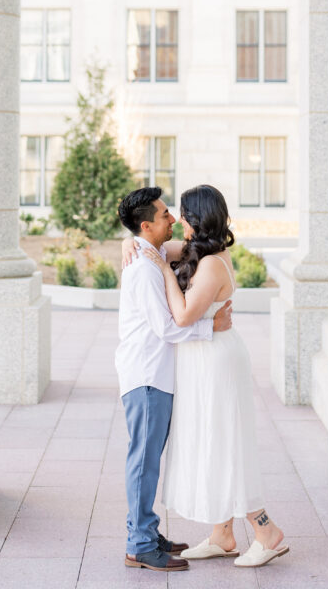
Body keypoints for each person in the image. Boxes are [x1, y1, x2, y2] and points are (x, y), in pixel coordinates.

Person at [122, 183, 288, 568]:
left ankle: (266, 531)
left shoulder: (212, 263)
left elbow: (180, 316)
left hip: (216, 361)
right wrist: (127, 242)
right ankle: (222, 534)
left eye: (181, 213)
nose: (176, 219)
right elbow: (149, 243)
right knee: (212, 442)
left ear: (197, 218)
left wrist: (163, 269)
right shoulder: (200, 250)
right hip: (201, 359)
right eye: (170, 213)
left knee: (226, 443)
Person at [115, 186, 234, 573]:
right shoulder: (145, 268)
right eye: (165, 215)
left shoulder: (150, 253)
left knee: (148, 461)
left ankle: (147, 533)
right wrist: (210, 326)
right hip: (147, 377)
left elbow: (195, 248)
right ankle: (140, 545)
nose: (172, 219)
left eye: (173, 213)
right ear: (147, 226)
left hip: (156, 375)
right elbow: (168, 328)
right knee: (144, 463)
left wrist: (127, 242)